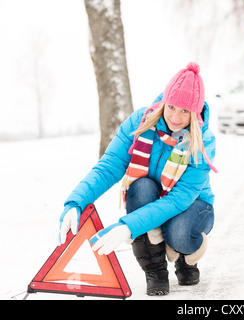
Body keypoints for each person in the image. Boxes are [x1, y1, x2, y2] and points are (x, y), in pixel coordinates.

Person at [57, 62, 218, 296]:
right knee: (140, 187)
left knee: (180, 233)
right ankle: (155, 270)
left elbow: (179, 199)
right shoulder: (140, 123)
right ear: (164, 101)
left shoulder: (202, 141)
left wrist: (128, 226)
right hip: (152, 195)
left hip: (193, 204)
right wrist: (76, 202)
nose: (175, 116)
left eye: (185, 111)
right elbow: (110, 165)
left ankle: (187, 258)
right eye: (171, 106)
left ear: (195, 113)